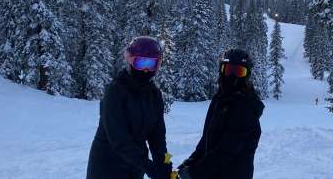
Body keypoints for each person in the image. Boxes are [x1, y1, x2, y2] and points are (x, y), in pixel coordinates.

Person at [87, 36, 173, 179]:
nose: (146, 70)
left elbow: (157, 136)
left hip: (136, 165)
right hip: (107, 165)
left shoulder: (154, 95)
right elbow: (118, 138)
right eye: (141, 63)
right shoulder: (115, 91)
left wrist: (164, 163)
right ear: (130, 60)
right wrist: (149, 166)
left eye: (151, 64)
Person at [178, 49, 264, 179]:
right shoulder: (220, 99)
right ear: (221, 70)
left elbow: (227, 150)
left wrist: (195, 172)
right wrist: (192, 160)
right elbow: (207, 138)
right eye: (228, 70)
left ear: (247, 75)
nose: (232, 76)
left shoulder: (246, 107)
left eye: (239, 72)